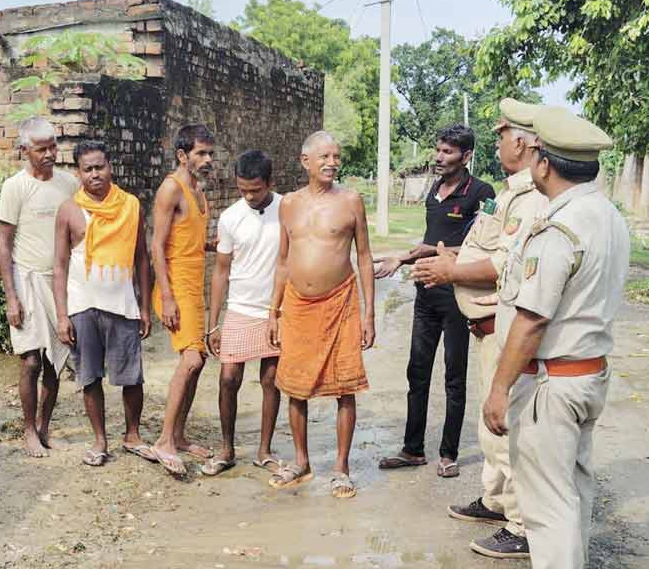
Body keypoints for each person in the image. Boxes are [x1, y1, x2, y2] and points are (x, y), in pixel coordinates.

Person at [482, 108, 627, 569]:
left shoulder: (559, 228)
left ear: (545, 163)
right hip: (586, 375)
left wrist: (499, 391)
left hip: (552, 383)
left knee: (547, 508)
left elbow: (531, 321)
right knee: (572, 491)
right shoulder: (604, 213)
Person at [411, 99, 547, 559]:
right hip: (487, 323)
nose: (498, 141)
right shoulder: (509, 194)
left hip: (507, 323)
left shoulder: (531, 199)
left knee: (503, 421)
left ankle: (522, 525)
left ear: (524, 141)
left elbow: (508, 266)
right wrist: (450, 261)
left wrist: (451, 273)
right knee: (490, 428)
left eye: (503, 133)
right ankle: (496, 501)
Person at [376, 124, 495, 478]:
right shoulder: (434, 190)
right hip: (426, 292)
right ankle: (412, 450)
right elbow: (430, 242)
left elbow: (487, 249)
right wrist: (402, 258)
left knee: (454, 376)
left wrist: (440, 252)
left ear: (466, 156)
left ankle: (448, 453)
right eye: (438, 150)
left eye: (447, 152)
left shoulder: (483, 193)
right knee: (417, 371)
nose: (439, 157)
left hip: (457, 295)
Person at [265, 130, 375, 498]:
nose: (332, 163)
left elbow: (363, 258)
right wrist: (273, 311)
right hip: (297, 304)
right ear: (305, 162)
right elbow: (282, 261)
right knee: (295, 386)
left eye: (336, 157)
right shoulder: (289, 204)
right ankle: (301, 461)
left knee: (346, 387)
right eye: (324, 157)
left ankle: (341, 468)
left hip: (341, 302)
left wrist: (369, 314)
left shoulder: (351, 201)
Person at [53, 140, 152, 467]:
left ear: (111, 167)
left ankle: (132, 434)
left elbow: (141, 258)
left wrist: (145, 307)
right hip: (83, 305)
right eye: (88, 169)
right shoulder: (69, 210)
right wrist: (62, 315)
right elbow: (60, 265)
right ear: (78, 173)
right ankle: (99, 440)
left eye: (100, 167)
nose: (95, 174)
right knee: (89, 376)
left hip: (122, 304)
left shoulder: (131, 206)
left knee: (132, 376)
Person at [0, 118, 79, 457]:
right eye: (41, 149)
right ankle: (28, 430)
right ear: (24, 150)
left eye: (53, 146)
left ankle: (44, 427)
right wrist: (11, 296)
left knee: (54, 361)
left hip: (60, 282)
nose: (49, 154)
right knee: (30, 359)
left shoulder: (69, 184)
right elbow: (3, 244)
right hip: (26, 279)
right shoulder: (15, 187)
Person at [202, 150, 283, 476]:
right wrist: (213, 323)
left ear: (270, 183)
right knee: (228, 377)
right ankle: (227, 449)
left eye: (256, 190)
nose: (249, 196)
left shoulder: (286, 210)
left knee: (271, 379)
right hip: (239, 307)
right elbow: (221, 272)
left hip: (276, 309)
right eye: (243, 189)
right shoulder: (230, 217)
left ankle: (264, 450)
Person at [149, 124, 217, 476]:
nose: (207, 160)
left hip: (194, 286)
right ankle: (163, 440)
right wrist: (168, 298)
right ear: (182, 155)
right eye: (200, 153)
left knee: (200, 360)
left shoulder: (198, 189)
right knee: (191, 360)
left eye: (210, 153)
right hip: (175, 288)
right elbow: (156, 246)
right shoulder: (170, 190)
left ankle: (178, 434)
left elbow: (185, 238)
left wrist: (210, 245)